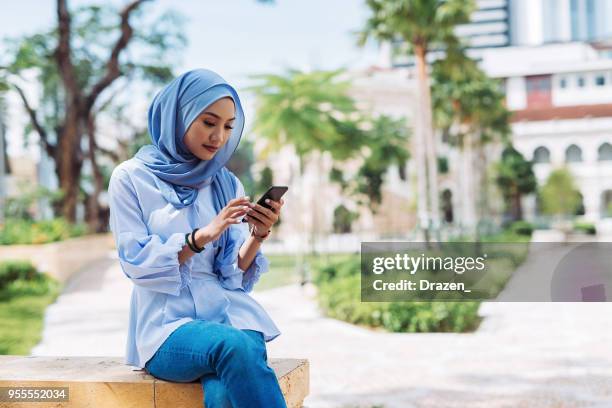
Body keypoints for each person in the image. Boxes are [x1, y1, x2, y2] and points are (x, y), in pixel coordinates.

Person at [107, 69, 287, 408]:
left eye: (228, 126)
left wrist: (259, 235)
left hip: (229, 315)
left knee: (223, 390)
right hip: (167, 327)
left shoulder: (225, 183)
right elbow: (135, 263)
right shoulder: (130, 178)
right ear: (179, 115)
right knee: (234, 346)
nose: (218, 136)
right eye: (208, 122)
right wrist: (203, 235)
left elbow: (233, 272)